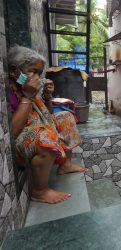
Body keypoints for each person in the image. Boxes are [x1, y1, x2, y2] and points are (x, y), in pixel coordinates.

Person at [8, 46, 86, 204]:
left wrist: (48, 96)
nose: (37, 77)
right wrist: (28, 96)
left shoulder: (25, 87)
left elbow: (47, 116)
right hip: (21, 142)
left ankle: (65, 164)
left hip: (37, 130)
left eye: (39, 73)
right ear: (14, 71)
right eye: (33, 71)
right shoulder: (9, 92)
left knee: (65, 116)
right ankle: (40, 190)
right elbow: (12, 133)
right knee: (46, 136)